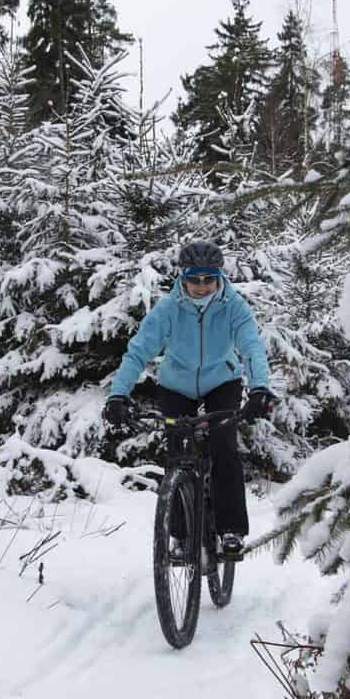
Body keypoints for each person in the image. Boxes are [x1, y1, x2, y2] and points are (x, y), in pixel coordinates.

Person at [103, 239, 275, 559]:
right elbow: (139, 351)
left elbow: (251, 347)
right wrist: (118, 394)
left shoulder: (233, 306)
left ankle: (230, 531)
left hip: (222, 381)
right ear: (183, 277)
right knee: (178, 455)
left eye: (208, 279)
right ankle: (181, 537)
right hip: (176, 385)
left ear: (218, 277)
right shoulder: (169, 308)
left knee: (224, 447)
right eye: (194, 279)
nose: (201, 286)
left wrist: (260, 388)